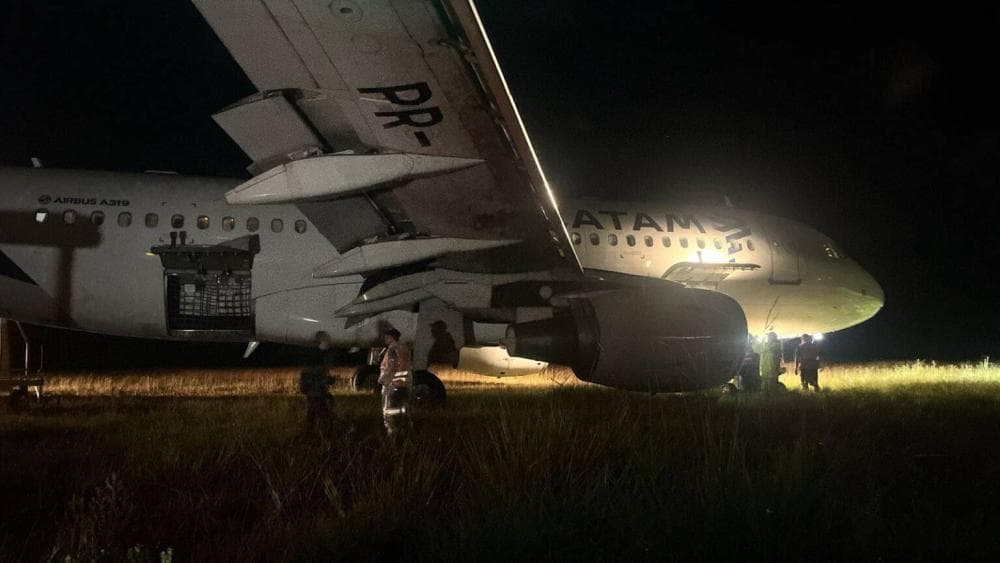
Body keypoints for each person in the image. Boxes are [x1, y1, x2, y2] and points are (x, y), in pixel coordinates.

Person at [379, 328, 413, 435]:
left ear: (390, 338)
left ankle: (392, 431)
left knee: (390, 410)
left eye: (386, 337)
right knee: (404, 409)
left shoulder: (392, 349)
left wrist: (383, 381)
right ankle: (407, 430)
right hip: (406, 384)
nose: (384, 340)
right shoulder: (405, 349)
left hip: (393, 385)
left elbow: (391, 367)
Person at [299, 365, 335, 435]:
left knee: (312, 417)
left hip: (312, 397)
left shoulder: (306, 370)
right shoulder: (320, 370)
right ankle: (324, 433)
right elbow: (325, 382)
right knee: (324, 418)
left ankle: (311, 433)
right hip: (318, 397)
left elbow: (303, 388)